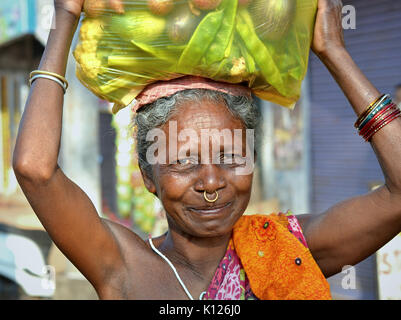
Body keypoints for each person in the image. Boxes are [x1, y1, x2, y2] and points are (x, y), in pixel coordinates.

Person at [12, 0, 401, 300]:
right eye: (183, 160)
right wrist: (64, 20)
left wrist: (334, 52)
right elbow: (35, 169)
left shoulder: (290, 247)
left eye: (231, 157)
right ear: (148, 175)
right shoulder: (123, 266)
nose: (212, 182)